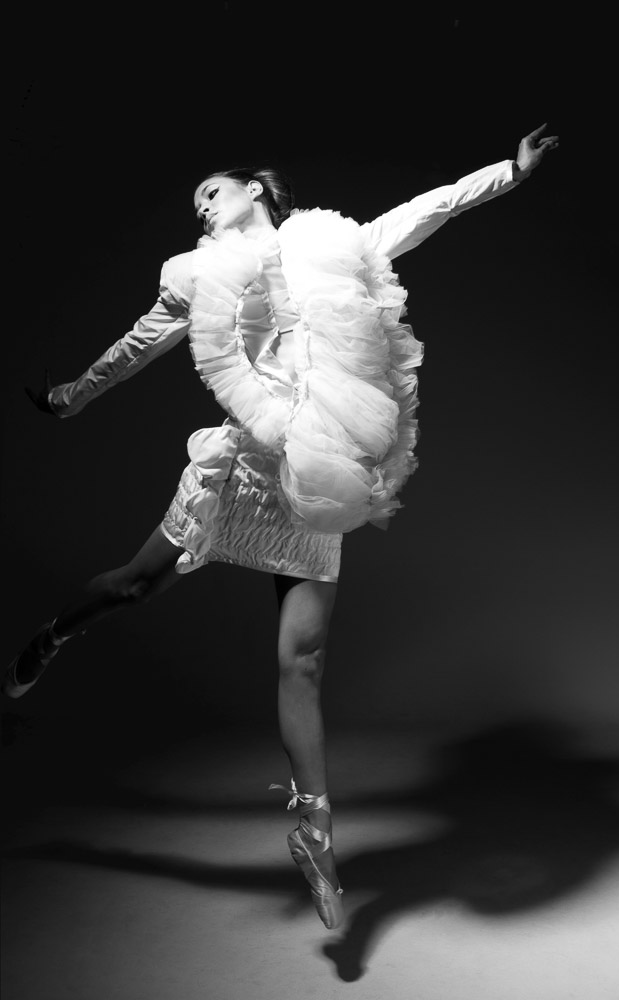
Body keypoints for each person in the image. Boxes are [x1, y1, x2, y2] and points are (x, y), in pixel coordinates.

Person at [3, 124, 558, 930]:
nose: (201, 205)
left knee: (304, 659)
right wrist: (70, 397)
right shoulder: (195, 272)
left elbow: (421, 213)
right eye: (196, 201)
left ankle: (315, 833)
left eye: (212, 191)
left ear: (254, 189)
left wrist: (508, 170)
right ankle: (55, 633)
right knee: (131, 588)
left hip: (314, 469)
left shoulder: (326, 247)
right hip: (242, 465)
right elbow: (139, 344)